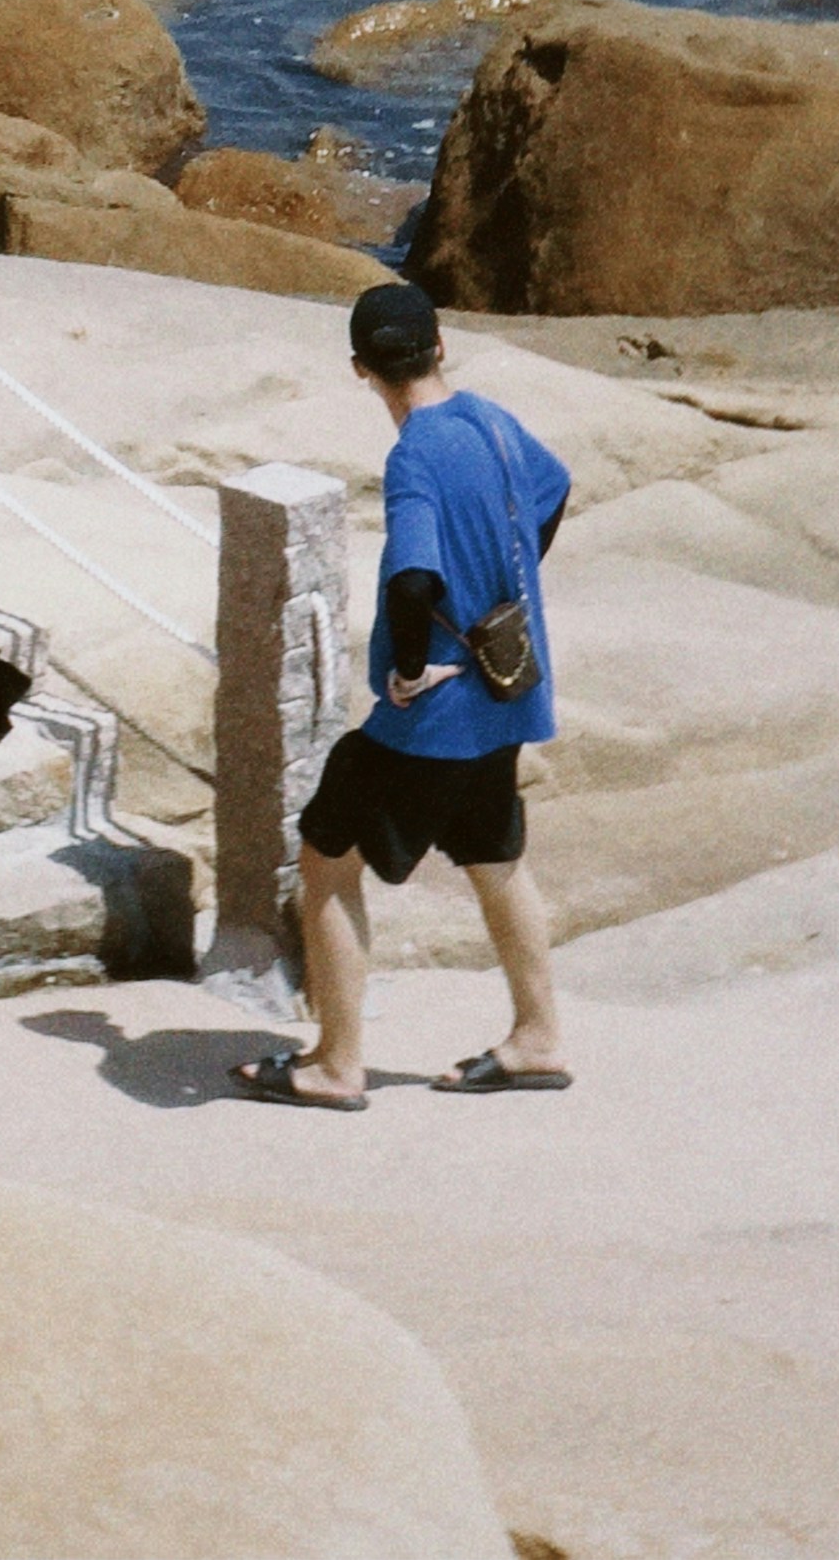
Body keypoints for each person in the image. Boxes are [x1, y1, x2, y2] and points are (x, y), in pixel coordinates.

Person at [234, 280, 573, 1111]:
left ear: (360, 368)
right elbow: (554, 485)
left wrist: (412, 666)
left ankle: (336, 1064)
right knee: (496, 859)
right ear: (439, 347)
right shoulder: (490, 420)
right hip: (503, 692)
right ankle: (535, 1038)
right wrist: (506, 590)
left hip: (432, 718)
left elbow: (413, 574)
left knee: (324, 857)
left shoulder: (414, 452)